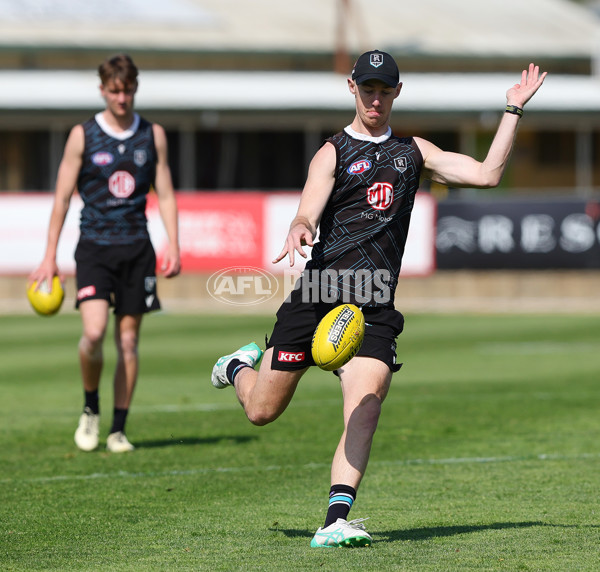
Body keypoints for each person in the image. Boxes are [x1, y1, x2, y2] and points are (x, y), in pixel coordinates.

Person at [211, 50, 546, 547]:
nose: (375, 98)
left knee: (366, 404)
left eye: (384, 90)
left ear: (396, 92)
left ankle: (334, 520)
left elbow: (487, 174)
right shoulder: (333, 152)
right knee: (262, 411)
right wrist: (300, 227)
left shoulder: (414, 153)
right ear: (352, 87)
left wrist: (513, 110)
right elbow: (306, 210)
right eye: (367, 88)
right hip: (318, 295)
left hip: (373, 305)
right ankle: (239, 365)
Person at [29, 54, 181, 453]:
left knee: (128, 343)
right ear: (102, 90)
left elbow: (164, 193)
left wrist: (174, 245)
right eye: (114, 90)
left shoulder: (153, 135)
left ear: (135, 88)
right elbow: (62, 198)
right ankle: (90, 407)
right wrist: (49, 256)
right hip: (94, 248)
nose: (121, 97)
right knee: (93, 334)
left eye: (128, 89)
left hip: (137, 250)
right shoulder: (83, 134)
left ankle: (117, 429)